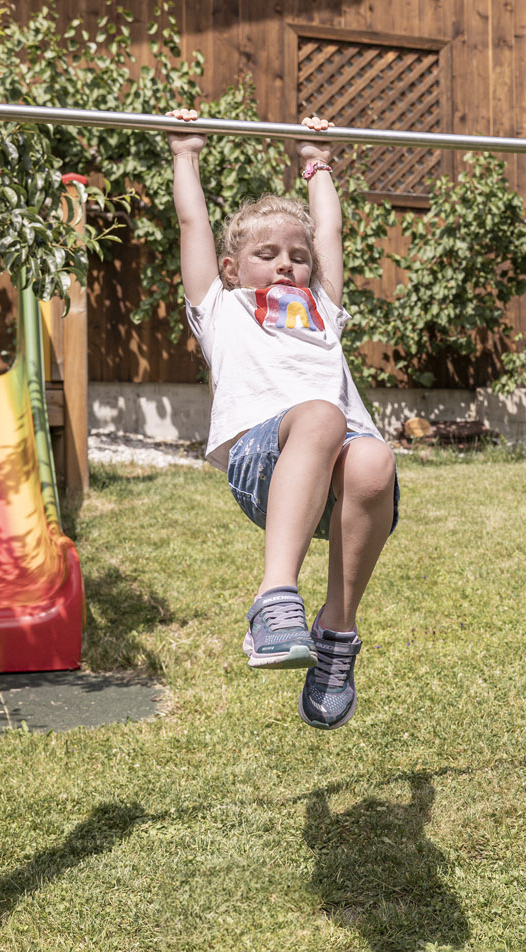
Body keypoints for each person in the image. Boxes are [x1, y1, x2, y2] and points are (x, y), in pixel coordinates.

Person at [166, 108, 398, 730]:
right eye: (266, 254)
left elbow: (328, 230)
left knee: (375, 459)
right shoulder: (222, 307)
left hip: (337, 471)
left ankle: (335, 636)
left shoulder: (320, 306)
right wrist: (186, 152)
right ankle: (274, 599)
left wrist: (315, 163)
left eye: (296, 256)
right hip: (263, 465)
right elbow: (194, 222)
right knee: (322, 416)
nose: (286, 263)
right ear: (232, 267)